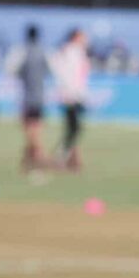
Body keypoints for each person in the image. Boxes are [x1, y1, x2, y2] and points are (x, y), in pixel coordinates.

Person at [3, 25, 55, 174]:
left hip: (26, 97)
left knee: (29, 130)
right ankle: (29, 160)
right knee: (36, 129)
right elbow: (51, 71)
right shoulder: (44, 51)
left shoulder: (21, 51)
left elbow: (11, 71)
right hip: (40, 96)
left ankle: (36, 159)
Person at [51, 28, 90, 171]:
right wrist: (68, 92)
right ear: (76, 37)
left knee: (74, 128)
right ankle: (62, 156)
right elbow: (65, 73)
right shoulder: (70, 51)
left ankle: (69, 158)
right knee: (73, 128)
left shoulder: (78, 52)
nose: (86, 39)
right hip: (70, 96)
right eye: (83, 36)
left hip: (77, 95)